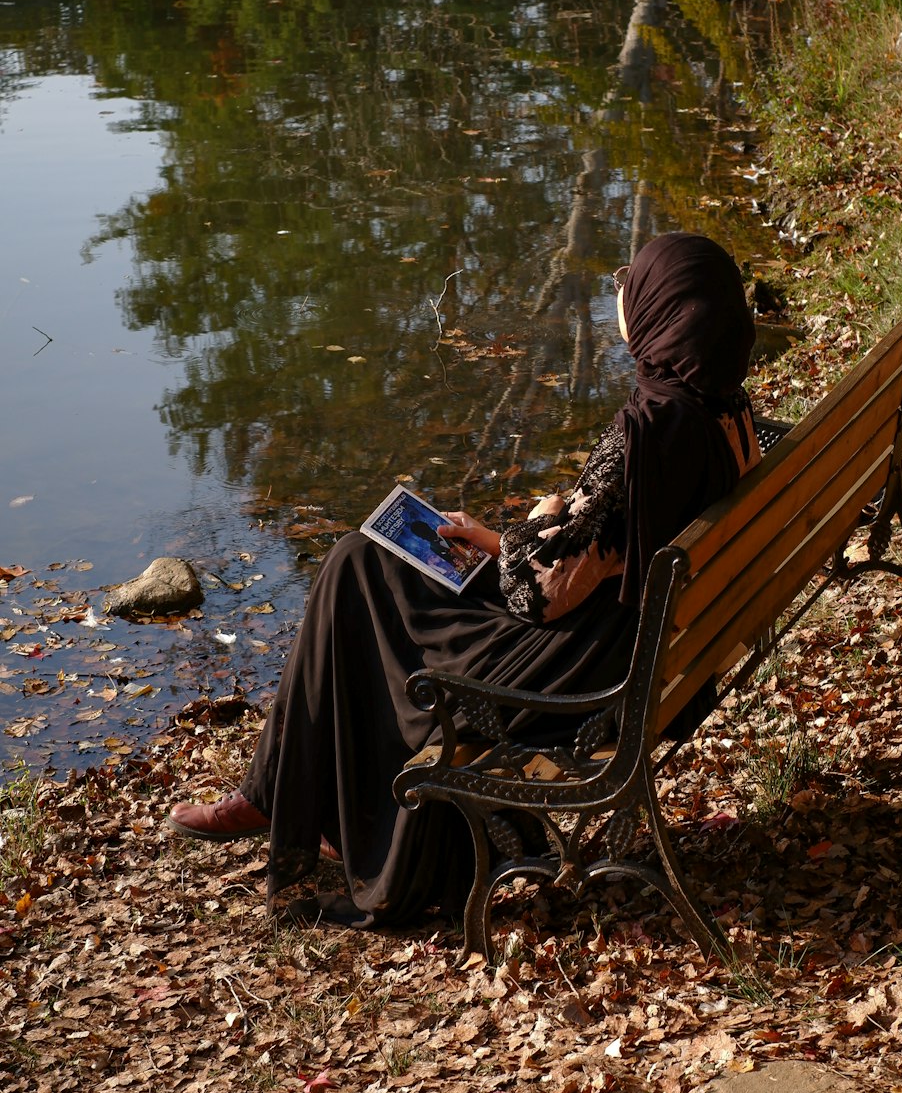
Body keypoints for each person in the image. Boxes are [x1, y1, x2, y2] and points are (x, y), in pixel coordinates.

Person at [168, 232, 761, 927]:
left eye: (638, 289)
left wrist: (531, 519)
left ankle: (282, 797)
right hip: (629, 644)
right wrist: (505, 537)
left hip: (571, 672)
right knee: (361, 564)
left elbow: (539, 592)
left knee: (355, 568)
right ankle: (279, 791)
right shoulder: (726, 413)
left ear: (667, 313)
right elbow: (604, 551)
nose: (625, 300)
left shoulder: (653, 431)